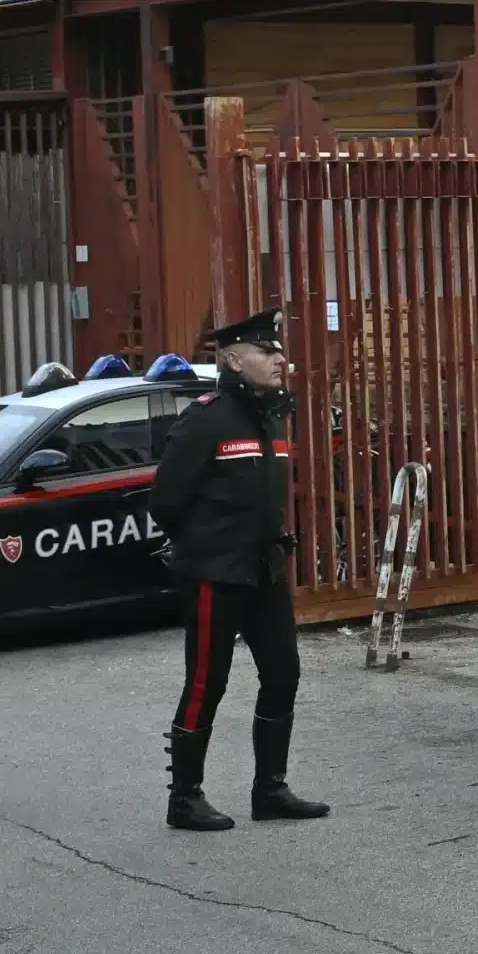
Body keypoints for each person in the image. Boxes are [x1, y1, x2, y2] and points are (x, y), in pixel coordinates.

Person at [149, 310, 330, 831]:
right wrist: (205, 546)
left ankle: (270, 790)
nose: (280, 360)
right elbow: (166, 501)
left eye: (279, 352)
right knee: (208, 682)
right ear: (231, 359)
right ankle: (185, 797)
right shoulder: (207, 417)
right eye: (265, 352)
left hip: (264, 569)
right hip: (214, 571)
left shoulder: (270, 416)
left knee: (283, 674)